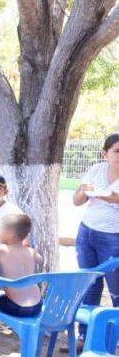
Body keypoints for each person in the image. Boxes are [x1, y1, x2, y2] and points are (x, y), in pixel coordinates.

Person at [0, 214, 43, 342]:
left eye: (0, 229)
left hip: (16, 307)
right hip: (37, 306)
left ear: (11, 234)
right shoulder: (31, 252)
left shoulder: (0, 249)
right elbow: (40, 260)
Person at [73, 133, 119, 311]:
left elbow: (115, 198)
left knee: (116, 289)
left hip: (113, 238)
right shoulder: (96, 170)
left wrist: (99, 193)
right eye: (117, 151)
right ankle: (86, 333)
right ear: (104, 154)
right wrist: (84, 190)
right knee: (89, 283)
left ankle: (115, 334)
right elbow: (77, 201)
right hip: (86, 233)